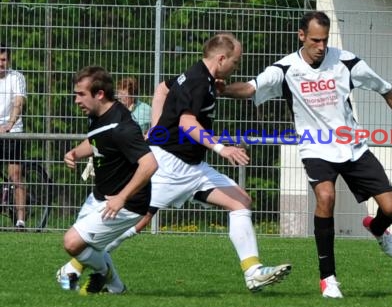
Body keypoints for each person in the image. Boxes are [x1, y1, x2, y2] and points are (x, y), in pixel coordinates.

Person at [58, 33, 291, 293]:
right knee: (135, 220)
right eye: (235, 63)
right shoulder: (198, 82)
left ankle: (253, 271)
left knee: (241, 202)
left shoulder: (198, 76)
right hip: (170, 165)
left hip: (193, 166)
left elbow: (162, 88)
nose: (235, 67)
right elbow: (187, 124)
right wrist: (221, 148)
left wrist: (157, 128)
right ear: (221, 58)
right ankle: (76, 264)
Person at [221, 11, 392, 298]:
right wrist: (217, 88)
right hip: (315, 147)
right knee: (326, 197)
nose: (321, 47)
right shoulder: (284, 69)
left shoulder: (345, 61)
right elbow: (249, 88)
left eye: (325, 40)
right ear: (301, 36)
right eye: (315, 40)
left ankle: (377, 228)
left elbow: (387, 90)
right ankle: (328, 279)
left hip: (353, 146)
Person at [57, 65, 158, 294]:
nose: (76, 100)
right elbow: (96, 141)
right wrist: (74, 153)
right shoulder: (98, 115)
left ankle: (102, 274)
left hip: (126, 203)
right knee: (84, 246)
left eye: (81, 94)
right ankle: (116, 288)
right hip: (101, 195)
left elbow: (150, 164)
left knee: (72, 243)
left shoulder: (122, 127)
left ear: (99, 94)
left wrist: (122, 198)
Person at [0, 44, 27, 230]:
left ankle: (20, 219)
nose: (1, 64)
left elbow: (18, 102)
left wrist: (10, 123)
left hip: (13, 130)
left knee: (15, 175)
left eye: (4, 60)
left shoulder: (16, 77)